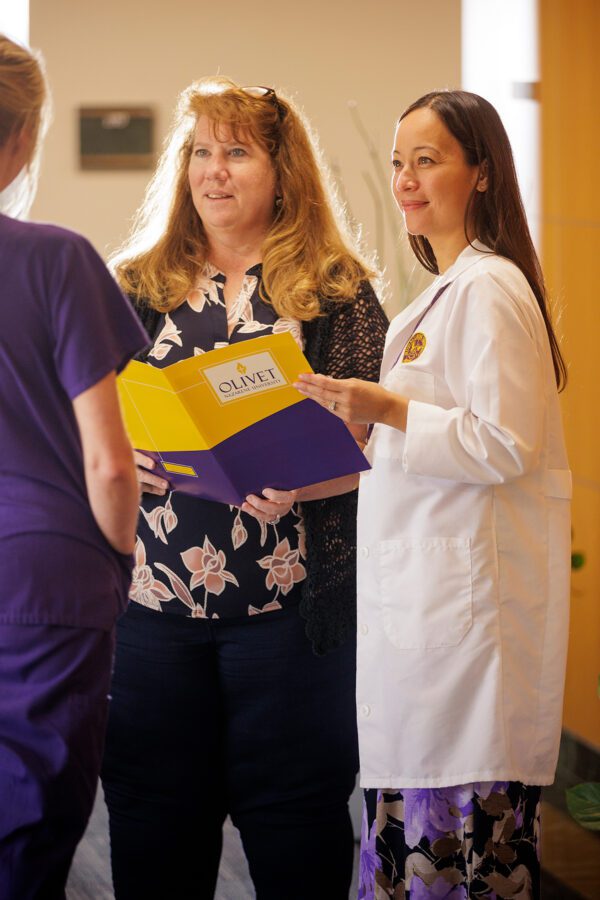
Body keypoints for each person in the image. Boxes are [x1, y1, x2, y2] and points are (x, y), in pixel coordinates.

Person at [100, 77, 388, 900]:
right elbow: (90, 417)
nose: (213, 172)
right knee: (155, 825)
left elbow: (370, 443)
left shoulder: (337, 290)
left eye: (236, 152)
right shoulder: (137, 283)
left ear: (283, 171)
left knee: (296, 828)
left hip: (291, 619)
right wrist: (127, 448)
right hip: (152, 610)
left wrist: (300, 485)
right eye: (200, 153)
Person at [296, 90, 570, 899]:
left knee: (461, 875)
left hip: (469, 658)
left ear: (481, 172)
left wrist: (381, 406)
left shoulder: (488, 288)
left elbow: (504, 443)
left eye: (428, 160)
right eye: (397, 162)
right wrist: (329, 457)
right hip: (425, 646)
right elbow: (421, 451)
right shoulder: (435, 299)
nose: (407, 180)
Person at [0, 34, 149, 900]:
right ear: (23, 139)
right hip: (46, 578)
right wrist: (117, 561)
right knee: (31, 828)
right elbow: (111, 461)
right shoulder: (56, 258)